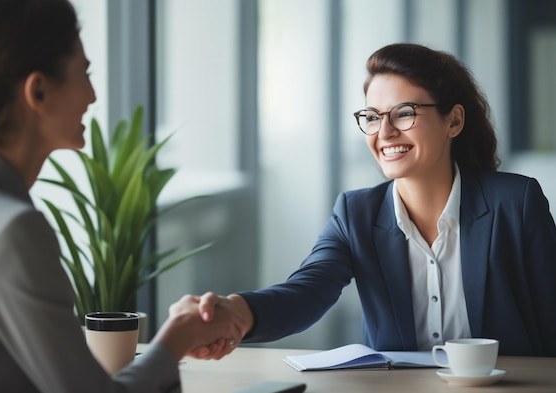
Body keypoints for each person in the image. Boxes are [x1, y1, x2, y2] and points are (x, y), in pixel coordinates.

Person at [0, 0, 242, 392]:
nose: (94, 95)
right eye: (86, 74)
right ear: (38, 91)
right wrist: (176, 337)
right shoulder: (10, 229)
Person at [192, 42, 556, 358]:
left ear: (453, 121)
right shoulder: (356, 214)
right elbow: (306, 292)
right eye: (372, 116)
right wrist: (236, 312)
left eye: (404, 113)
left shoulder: (516, 203)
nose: (384, 132)